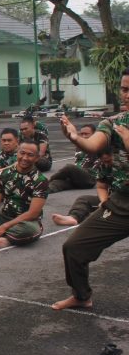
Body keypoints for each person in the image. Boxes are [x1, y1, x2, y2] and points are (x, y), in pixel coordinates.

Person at [52, 72, 129, 311]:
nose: (125, 94)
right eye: (123, 89)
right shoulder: (115, 123)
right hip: (123, 201)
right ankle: (81, 296)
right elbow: (93, 144)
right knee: (74, 247)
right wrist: (75, 137)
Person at [51, 150, 113, 226]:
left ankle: (45, 182)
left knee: (69, 167)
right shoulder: (79, 149)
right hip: (78, 176)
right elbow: (102, 187)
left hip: (90, 177)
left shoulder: (97, 148)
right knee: (83, 199)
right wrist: (104, 201)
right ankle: (73, 217)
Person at [47, 124, 99, 193]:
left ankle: (48, 180)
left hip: (89, 179)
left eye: (86, 134)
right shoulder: (79, 146)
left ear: (94, 135)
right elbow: (70, 136)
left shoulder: (97, 146)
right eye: (82, 134)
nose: (83, 136)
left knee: (69, 167)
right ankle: (37, 192)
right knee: (56, 183)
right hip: (77, 177)